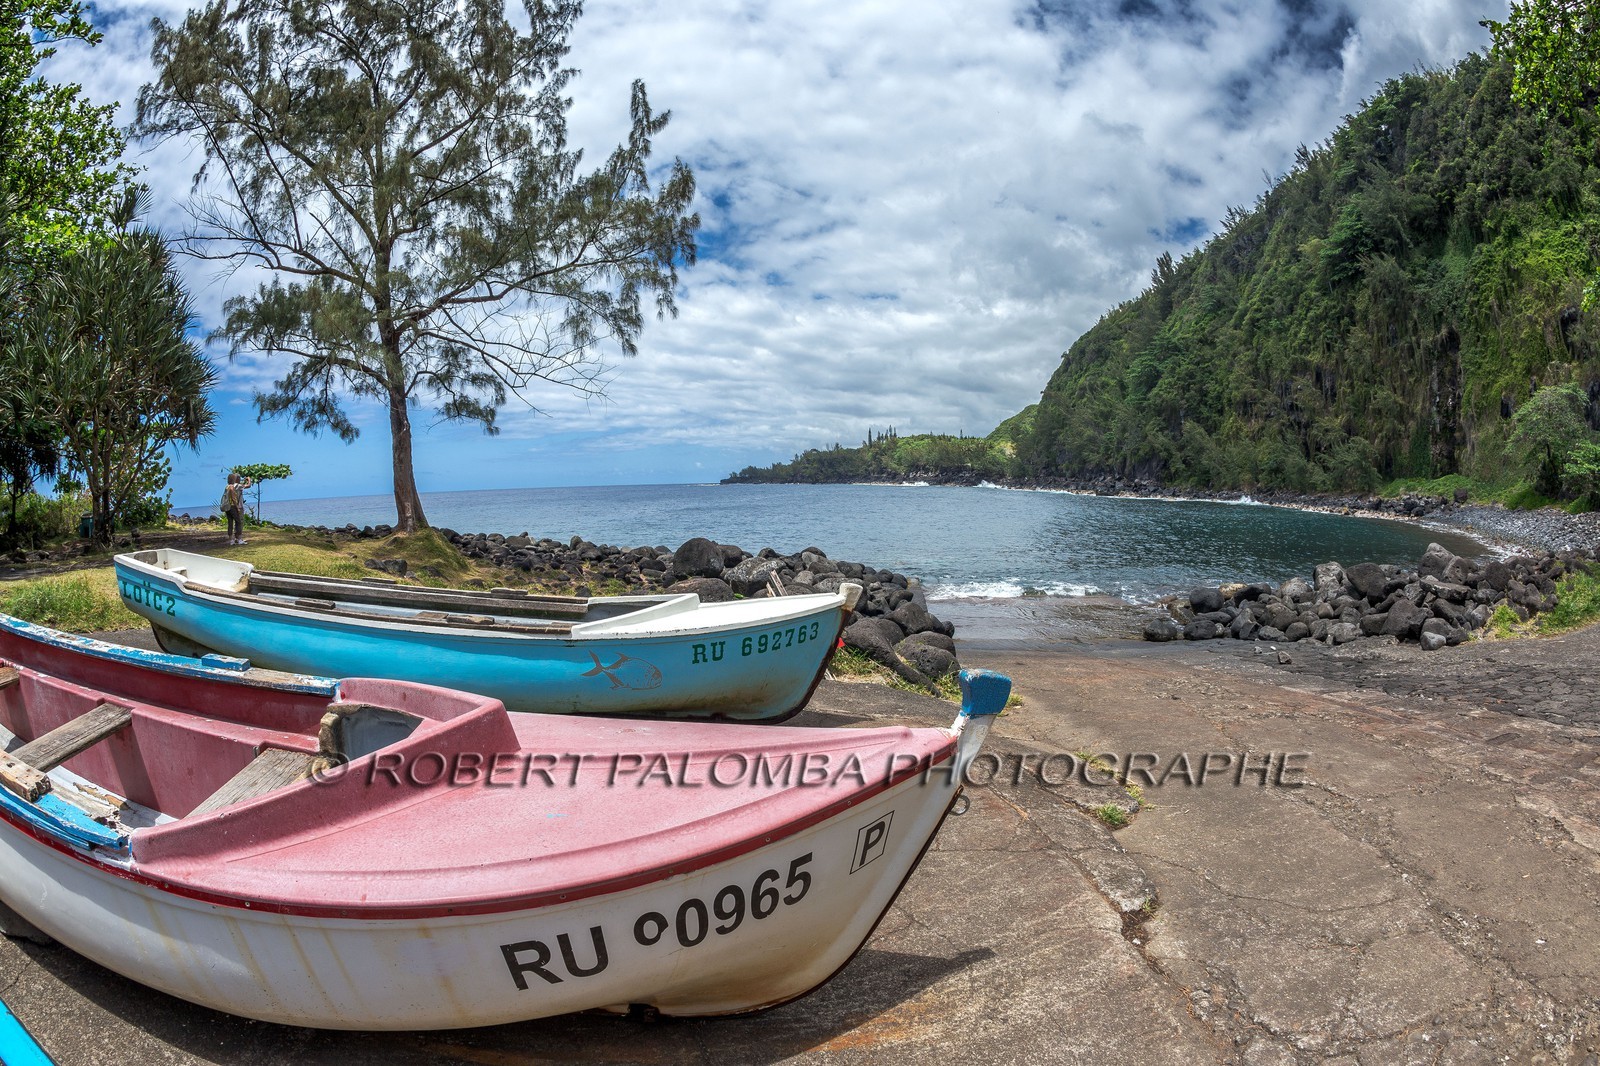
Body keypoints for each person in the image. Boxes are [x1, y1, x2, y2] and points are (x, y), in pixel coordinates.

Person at [222, 472, 251, 545]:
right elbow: (248, 486)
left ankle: (231, 540)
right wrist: (249, 479)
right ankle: (239, 539)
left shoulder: (227, 486)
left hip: (227, 507)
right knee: (239, 522)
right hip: (234, 507)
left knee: (230, 523)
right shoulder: (237, 486)